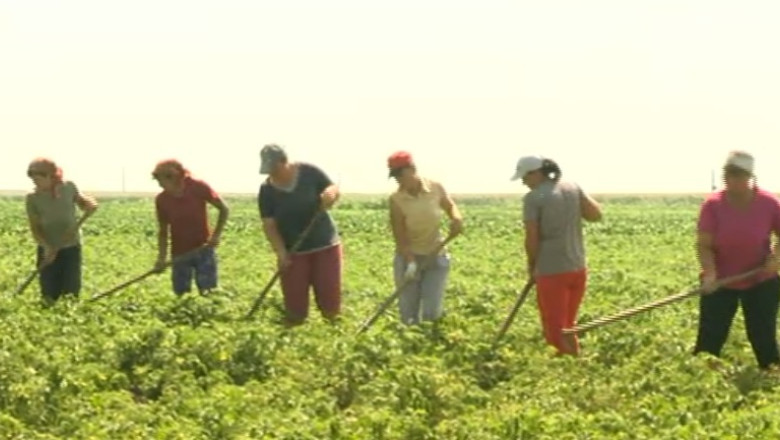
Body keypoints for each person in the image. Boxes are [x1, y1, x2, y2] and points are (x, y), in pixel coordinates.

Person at [695, 150, 780, 371]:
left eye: (738, 174)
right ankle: (702, 380)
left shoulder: (769, 203)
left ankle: (771, 377)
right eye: (728, 173)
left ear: (750, 177)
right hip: (721, 281)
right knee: (710, 337)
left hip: (761, 278)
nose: (732, 179)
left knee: (763, 335)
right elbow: (704, 245)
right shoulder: (713, 205)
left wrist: (776, 258)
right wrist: (711, 274)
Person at [512, 154, 602, 356]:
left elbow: (532, 237)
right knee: (569, 324)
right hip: (578, 267)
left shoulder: (534, 198)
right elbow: (595, 215)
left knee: (555, 328)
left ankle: (565, 368)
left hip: (552, 270)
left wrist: (532, 266)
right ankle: (575, 361)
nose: (524, 183)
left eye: (525, 177)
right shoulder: (572, 187)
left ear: (536, 173)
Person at [257, 144, 342, 326]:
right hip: (293, 251)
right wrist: (281, 252)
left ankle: (335, 333)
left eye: (275, 168)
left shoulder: (309, 172)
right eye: (268, 170)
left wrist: (330, 194)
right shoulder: (267, 191)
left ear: (284, 162)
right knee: (294, 302)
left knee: (329, 295)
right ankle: (294, 333)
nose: (271, 174)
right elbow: (269, 225)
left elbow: (332, 188)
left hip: (324, 245)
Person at [387, 150, 463, 325]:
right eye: (395, 175)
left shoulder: (435, 188)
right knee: (409, 315)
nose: (399, 179)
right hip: (409, 257)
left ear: (412, 169)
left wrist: (456, 218)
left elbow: (450, 206)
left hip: (436, 256)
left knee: (431, 311)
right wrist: (411, 263)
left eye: (401, 173)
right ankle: (410, 347)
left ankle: (428, 343)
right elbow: (400, 236)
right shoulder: (396, 200)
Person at [25, 157, 98, 304]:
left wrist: (90, 205)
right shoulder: (32, 198)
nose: (35, 181)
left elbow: (84, 204)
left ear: (51, 175)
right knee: (49, 292)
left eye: (38, 177)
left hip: (71, 246)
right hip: (47, 248)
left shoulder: (68, 187)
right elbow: (35, 228)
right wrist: (47, 247)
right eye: (32, 178)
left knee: (71, 290)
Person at [152, 159, 229, 296]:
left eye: (161, 179)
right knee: (181, 294)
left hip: (203, 248)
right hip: (179, 253)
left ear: (175, 177)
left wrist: (216, 235)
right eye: (157, 179)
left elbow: (223, 209)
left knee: (208, 292)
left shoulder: (198, 187)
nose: (159, 184)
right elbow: (163, 231)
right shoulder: (162, 200)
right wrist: (161, 258)